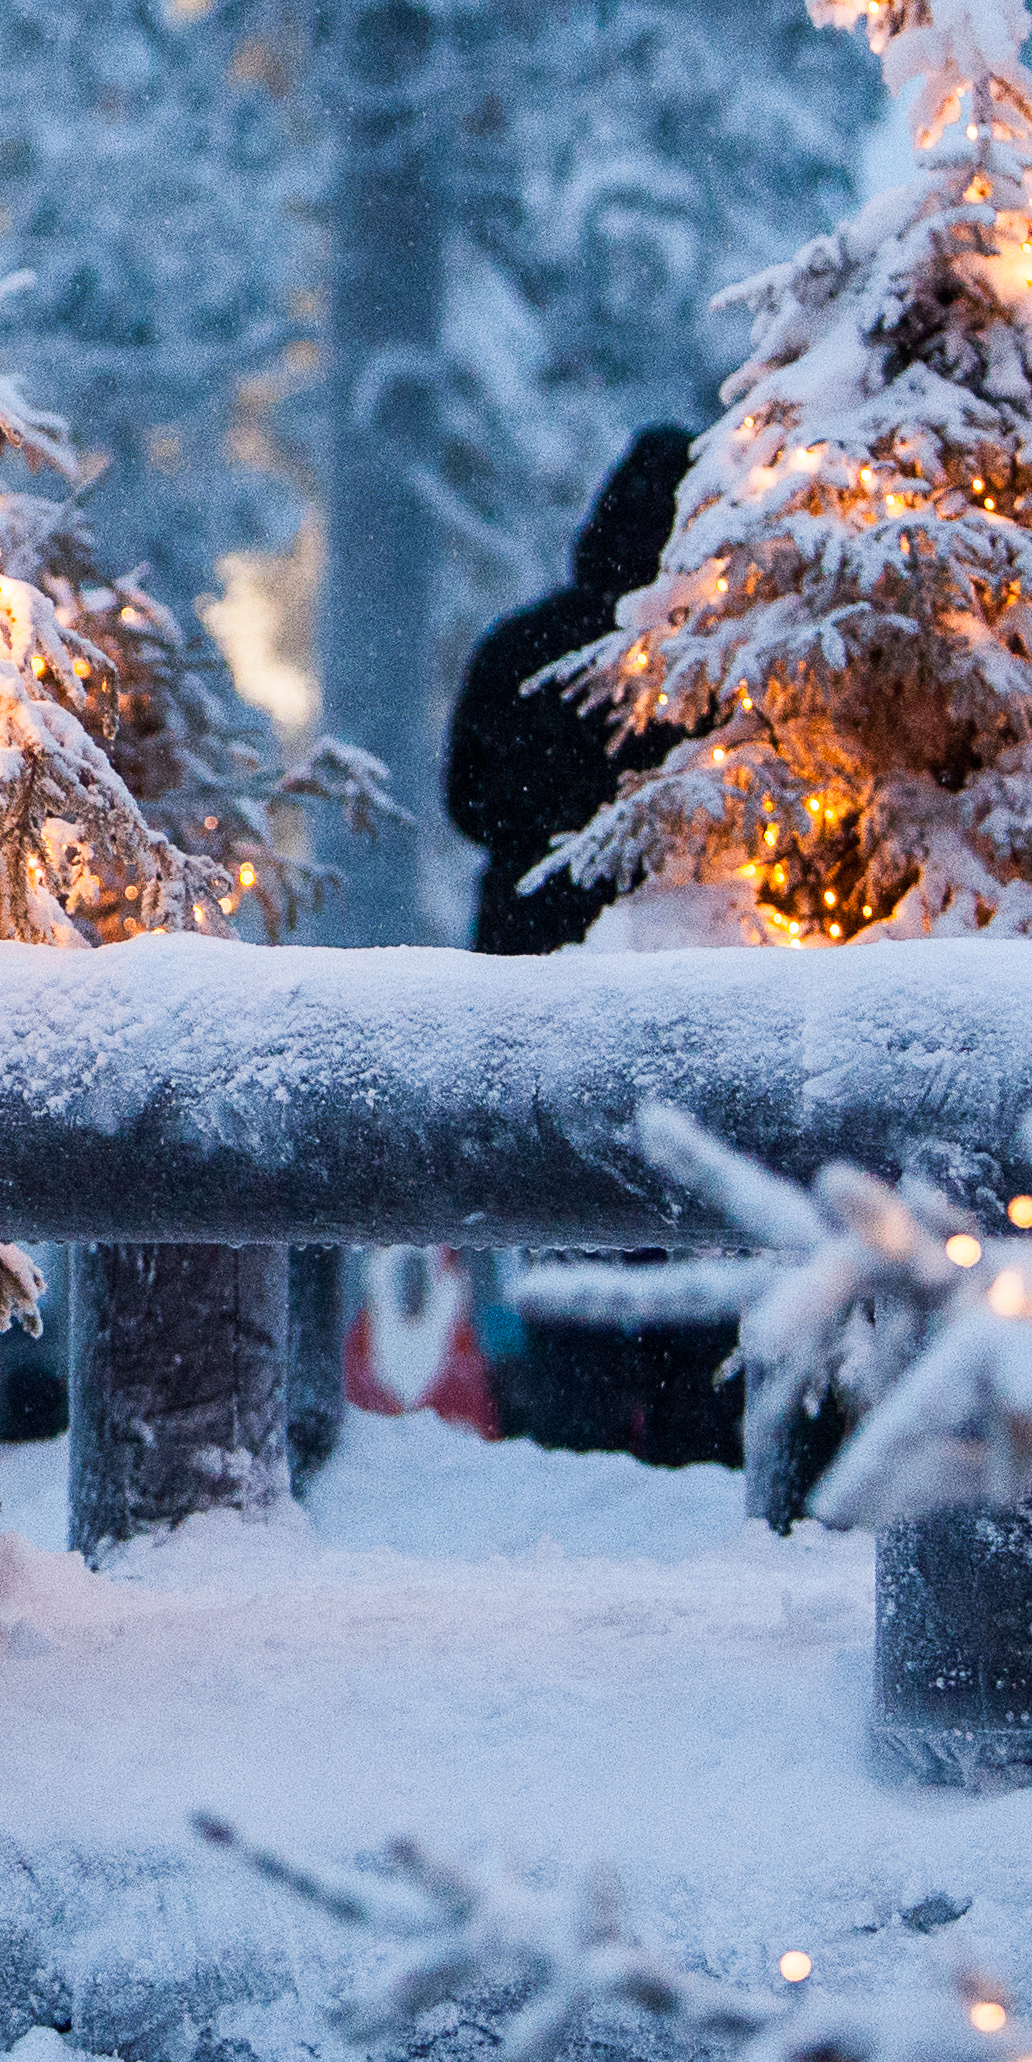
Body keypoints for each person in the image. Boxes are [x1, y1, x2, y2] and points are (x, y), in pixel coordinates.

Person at [439, 423, 744, 1468]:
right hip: (689, 976)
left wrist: (547, 833)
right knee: (695, 1208)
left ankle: (571, 1434)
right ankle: (699, 1442)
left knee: (569, 1201)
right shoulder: (717, 669)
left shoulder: (523, 646)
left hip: (536, 977)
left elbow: (467, 801)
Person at [440, 425, 692, 954]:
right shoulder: (696, 665)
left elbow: (464, 799)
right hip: (653, 938)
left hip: (518, 932)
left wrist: (532, 827)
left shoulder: (517, 642)